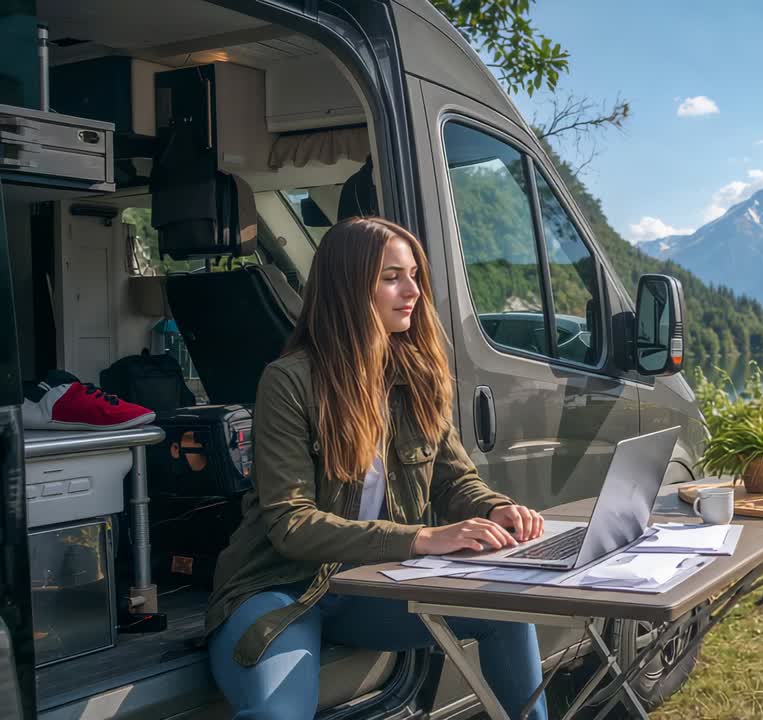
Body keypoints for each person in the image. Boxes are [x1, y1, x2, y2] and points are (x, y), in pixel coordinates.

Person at [205, 217, 549, 720]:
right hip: (281, 584)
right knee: (278, 713)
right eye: (392, 277)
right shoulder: (288, 381)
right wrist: (422, 538)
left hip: (372, 582)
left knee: (507, 609)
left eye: (414, 276)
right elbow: (291, 524)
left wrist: (496, 508)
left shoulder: (417, 376)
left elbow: (455, 479)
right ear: (348, 286)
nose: (413, 291)